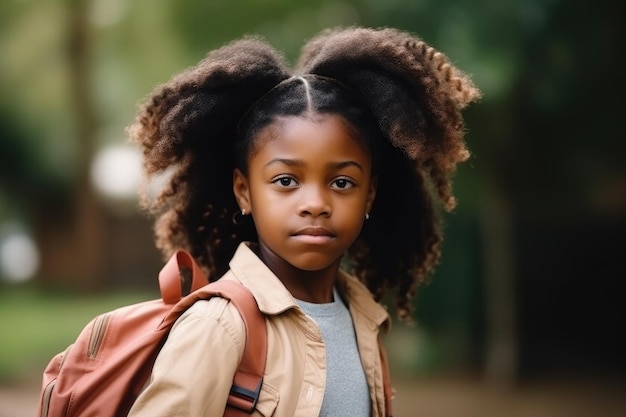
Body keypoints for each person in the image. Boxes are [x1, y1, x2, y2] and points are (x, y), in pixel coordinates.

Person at [126, 26, 480, 417]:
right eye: (286, 181)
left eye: (342, 182)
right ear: (244, 191)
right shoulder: (221, 328)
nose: (315, 204)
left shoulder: (364, 320)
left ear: (370, 194)